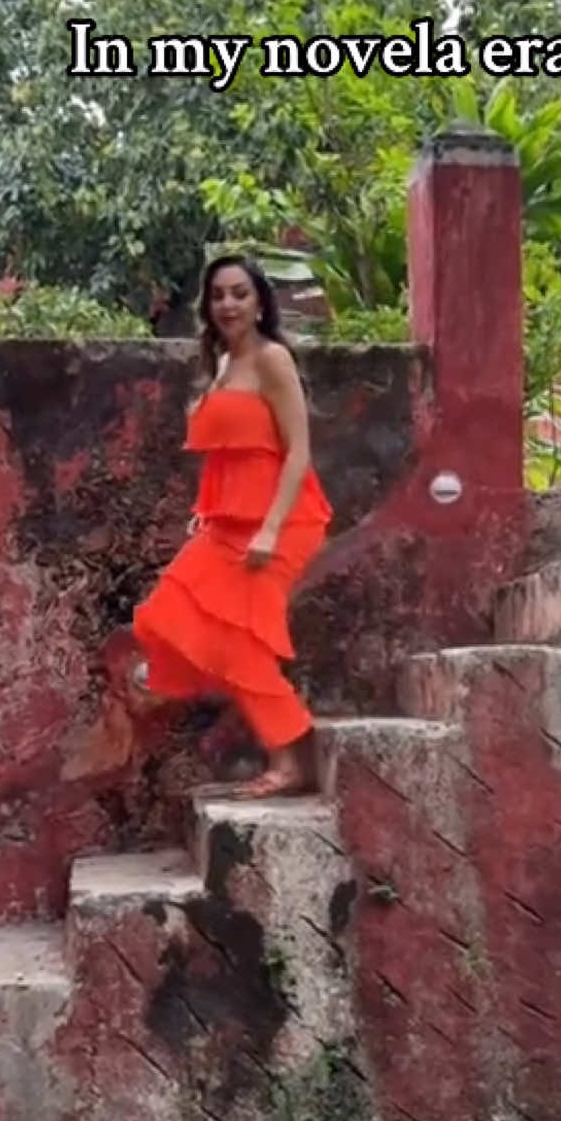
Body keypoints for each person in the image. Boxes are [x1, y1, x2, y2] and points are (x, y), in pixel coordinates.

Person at [131, 254, 332, 799]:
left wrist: (269, 529)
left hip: (284, 522)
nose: (228, 304)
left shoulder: (272, 361)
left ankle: (291, 760)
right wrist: (209, 512)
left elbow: (297, 455)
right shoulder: (220, 365)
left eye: (239, 293)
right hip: (226, 525)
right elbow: (228, 456)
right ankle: (291, 751)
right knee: (163, 615)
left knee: (245, 644)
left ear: (261, 300)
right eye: (218, 295)